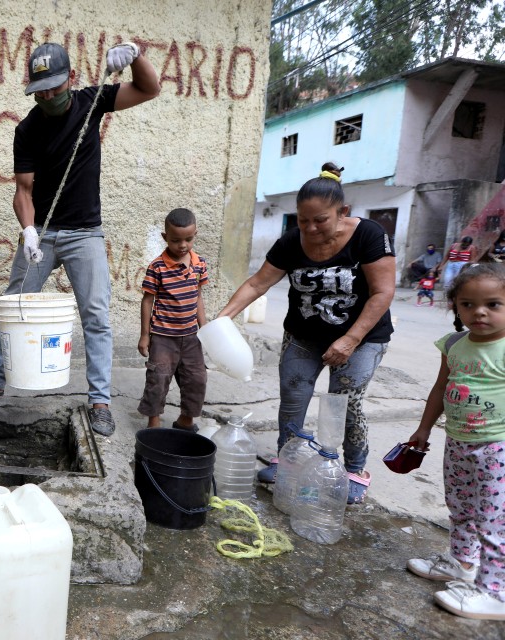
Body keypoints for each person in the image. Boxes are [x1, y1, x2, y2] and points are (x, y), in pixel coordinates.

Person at [0, 40, 161, 436]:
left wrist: (135, 57)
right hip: (43, 234)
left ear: (70, 77)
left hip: (86, 232)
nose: (48, 95)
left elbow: (149, 88)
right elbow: (24, 191)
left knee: (96, 317)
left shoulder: (93, 101)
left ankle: (99, 400)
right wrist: (28, 231)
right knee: (14, 305)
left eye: (54, 85)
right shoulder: (27, 130)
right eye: (40, 89)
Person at [217, 163, 396, 504]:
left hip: (361, 337)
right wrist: (222, 319)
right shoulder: (290, 243)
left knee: (344, 405)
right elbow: (258, 283)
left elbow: (383, 292)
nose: (311, 228)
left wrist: (350, 339)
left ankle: (355, 469)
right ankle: (288, 460)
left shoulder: (369, 235)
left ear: (342, 212)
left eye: (320, 220)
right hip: (303, 335)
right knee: (293, 397)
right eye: (303, 220)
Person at [406, 263, 505, 620]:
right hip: (459, 442)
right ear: (455, 308)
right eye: (468, 304)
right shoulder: (453, 344)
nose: (479, 312)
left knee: (494, 520)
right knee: (461, 508)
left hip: (498, 446)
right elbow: (440, 389)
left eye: (493, 304)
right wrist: (424, 427)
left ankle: (496, 592)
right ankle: (463, 563)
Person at [137, 208, 208, 431]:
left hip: (191, 336)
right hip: (163, 337)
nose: (183, 245)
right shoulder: (157, 267)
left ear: (195, 234)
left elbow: (197, 296)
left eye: (189, 239)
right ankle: (154, 422)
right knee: (158, 378)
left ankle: (186, 420)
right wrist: (145, 335)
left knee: (196, 379)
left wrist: (204, 328)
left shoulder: (199, 264)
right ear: (165, 237)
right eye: (176, 240)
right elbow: (148, 301)